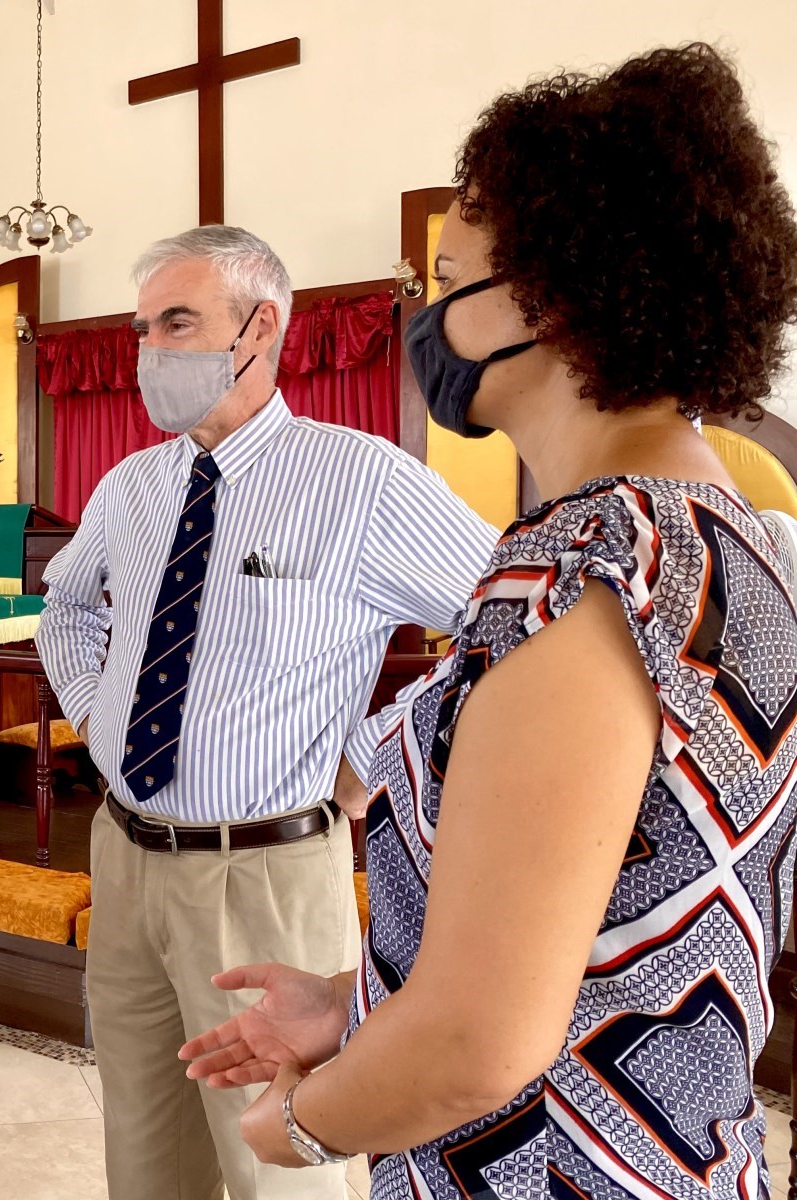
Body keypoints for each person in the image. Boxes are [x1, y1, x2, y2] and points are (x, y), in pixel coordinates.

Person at [180, 44, 797, 1200]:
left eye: (448, 276)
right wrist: (352, 1004)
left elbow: (477, 1045)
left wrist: (300, 1128)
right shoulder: (725, 536)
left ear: (552, 296)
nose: (429, 313)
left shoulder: (588, 575)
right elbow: (587, 930)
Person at [34, 225, 501, 1200]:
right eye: (140, 331)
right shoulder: (130, 488)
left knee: (280, 1174)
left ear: (258, 328)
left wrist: (373, 750)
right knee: (145, 1157)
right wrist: (96, 714)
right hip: (124, 862)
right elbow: (68, 606)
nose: (147, 353)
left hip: (266, 883)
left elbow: (518, 620)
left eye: (176, 324)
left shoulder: (358, 481)